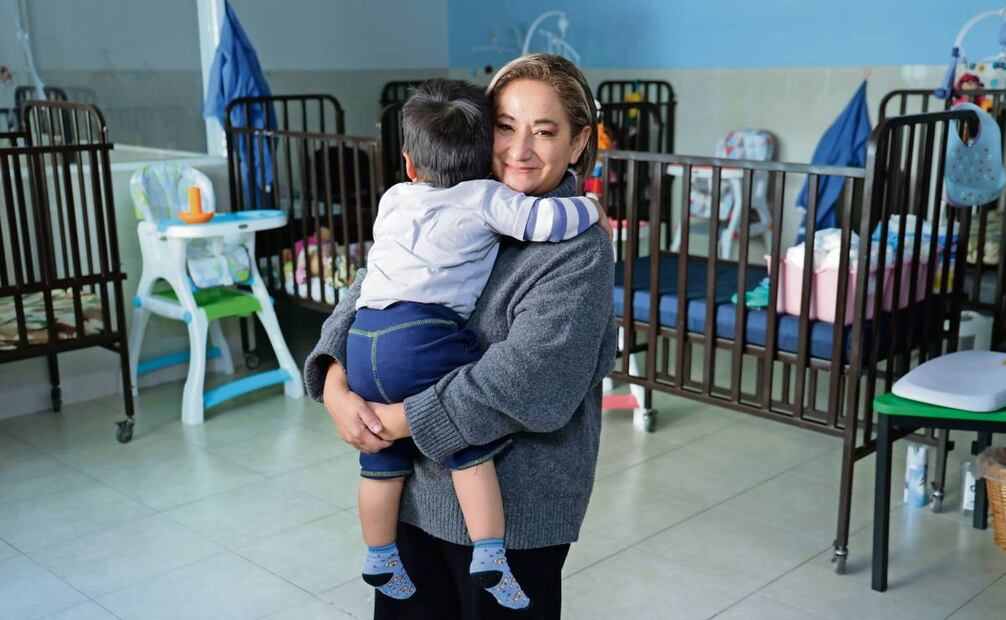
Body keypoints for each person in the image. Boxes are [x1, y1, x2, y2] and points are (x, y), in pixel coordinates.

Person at [304, 53, 616, 619]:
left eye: (544, 132)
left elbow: (530, 383)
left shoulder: (578, 247)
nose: (519, 151)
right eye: (504, 127)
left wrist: (388, 420)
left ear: (577, 144)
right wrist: (332, 380)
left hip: (515, 514)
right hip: (413, 498)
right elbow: (367, 288)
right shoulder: (451, 199)